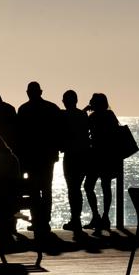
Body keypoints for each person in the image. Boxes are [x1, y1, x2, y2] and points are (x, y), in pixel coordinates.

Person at [16, 81, 61, 234]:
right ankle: (45, 221)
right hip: (47, 155)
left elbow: (20, 135)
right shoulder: (52, 108)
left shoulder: (23, 109)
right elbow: (58, 131)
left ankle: (36, 220)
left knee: (34, 189)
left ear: (28, 93)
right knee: (47, 188)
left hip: (30, 156)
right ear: (40, 92)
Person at [82, 93, 120, 233]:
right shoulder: (110, 115)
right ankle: (104, 217)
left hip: (96, 156)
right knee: (105, 186)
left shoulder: (92, 117)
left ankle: (97, 216)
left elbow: (83, 131)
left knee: (88, 186)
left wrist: (83, 112)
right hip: (107, 156)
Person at [59, 90, 90, 235]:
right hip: (84, 155)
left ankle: (75, 219)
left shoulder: (64, 116)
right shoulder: (82, 115)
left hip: (71, 156)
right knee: (77, 188)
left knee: (72, 189)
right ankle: (76, 219)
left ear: (65, 101)